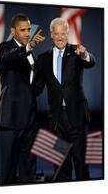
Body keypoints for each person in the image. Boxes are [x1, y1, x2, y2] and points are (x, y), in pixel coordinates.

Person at [36, 18, 95, 181]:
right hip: (56, 121)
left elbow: (91, 62)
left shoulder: (77, 52)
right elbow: (37, 87)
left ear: (68, 34)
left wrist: (84, 54)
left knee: (81, 164)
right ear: (51, 35)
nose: (60, 37)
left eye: (63, 33)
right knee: (60, 166)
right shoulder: (43, 58)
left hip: (76, 117)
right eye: (57, 33)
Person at [0, 13, 45, 184]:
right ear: (13, 30)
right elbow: (7, 57)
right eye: (22, 30)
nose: (26, 33)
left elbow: (35, 84)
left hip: (30, 120)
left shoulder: (32, 55)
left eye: (28, 30)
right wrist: (29, 46)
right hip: (10, 119)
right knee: (8, 171)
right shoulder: (5, 48)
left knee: (29, 170)